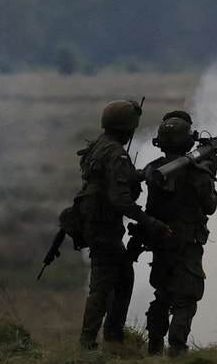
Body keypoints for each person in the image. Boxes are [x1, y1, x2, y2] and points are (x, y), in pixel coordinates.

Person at [76, 100, 171, 350]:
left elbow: (107, 180)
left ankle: (111, 337)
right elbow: (121, 200)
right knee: (102, 285)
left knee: (120, 278)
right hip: (104, 228)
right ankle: (92, 342)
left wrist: (138, 174)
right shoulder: (117, 153)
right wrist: (150, 223)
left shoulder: (98, 146)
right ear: (127, 128)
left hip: (96, 225)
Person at [142, 111, 217, 357]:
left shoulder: (154, 170)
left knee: (162, 294)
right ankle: (177, 349)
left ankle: (153, 346)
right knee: (186, 297)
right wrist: (210, 171)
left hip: (161, 241)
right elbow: (210, 206)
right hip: (188, 242)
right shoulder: (197, 172)